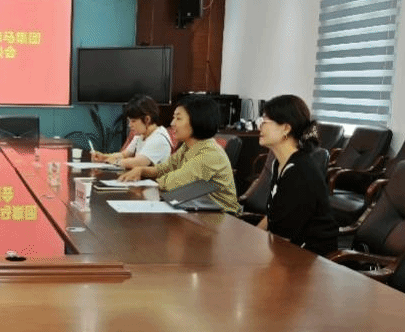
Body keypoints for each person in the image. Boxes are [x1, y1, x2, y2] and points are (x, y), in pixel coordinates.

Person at [118, 95, 241, 214]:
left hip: (223, 216)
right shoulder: (188, 146)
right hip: (197, 207)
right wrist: (141, 170)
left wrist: (149, 178)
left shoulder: (210, 154)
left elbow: (172, 183)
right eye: (174, 118)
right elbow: (164, 168)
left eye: (178, 118)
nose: (172, 123)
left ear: (197, 120)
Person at [255, 95, 337, 255]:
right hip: (286, 249)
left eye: (265, 121)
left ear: (286, 128)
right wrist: (252, 237)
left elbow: (283, 239)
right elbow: (272, 216)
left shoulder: (299, 172)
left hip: (310, 257)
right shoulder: (279, 163)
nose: (260, 127)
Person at [91, 95, 172, 169]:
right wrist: (104, 157)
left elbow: (138, 163)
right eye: (129, 121)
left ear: (147, 119)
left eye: (133, 121)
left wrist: (114, 161)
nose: (130, 125)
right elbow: (124, 155)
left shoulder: (159, 138)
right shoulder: (141, 135)